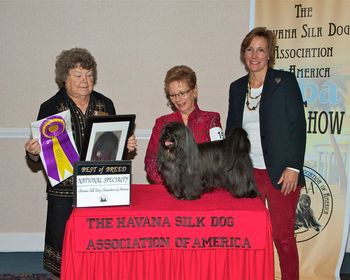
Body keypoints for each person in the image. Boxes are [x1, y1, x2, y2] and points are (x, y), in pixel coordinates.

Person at [24, 47, 137, 277]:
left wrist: (126, 145)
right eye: (78, 75)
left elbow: (113, 148)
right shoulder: (50, 108)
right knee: (64, 250)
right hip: (64, 191)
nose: (85, 81)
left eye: (89, 74)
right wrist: (33, 153)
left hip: (100, 188)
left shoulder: (106, 104)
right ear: (64, 78)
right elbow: (38, 158)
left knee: (100, 246)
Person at [225, 27, 306, 280]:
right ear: (243, 53)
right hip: (248, 174)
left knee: (282, 237)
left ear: (269, 54)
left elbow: (297, 126)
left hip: (282, 173)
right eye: (250, 49)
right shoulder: (237, 88)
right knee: (250, 236)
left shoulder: (285, 82)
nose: (255, 55)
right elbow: (232, 129)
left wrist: (294, 166)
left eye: (261, 49)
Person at [145, 65, 223, 184]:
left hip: (205, 188)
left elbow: (220, 158)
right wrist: (169, 183)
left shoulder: (211, 119)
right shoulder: (162, 123)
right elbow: (151, 161)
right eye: (173, 95)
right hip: (171, 190)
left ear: (194, 90)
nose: (178, 99)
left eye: (182, 93)